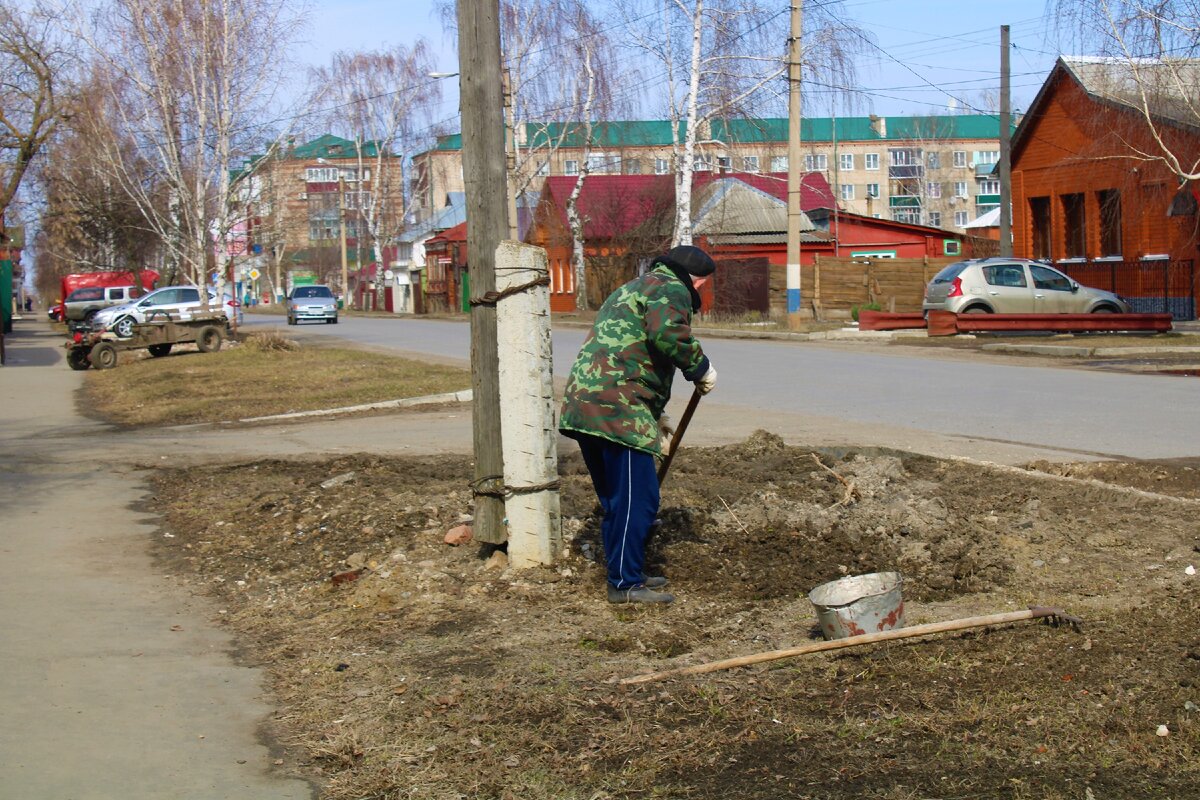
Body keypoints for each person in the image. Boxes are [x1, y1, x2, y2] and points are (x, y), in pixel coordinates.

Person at [559, 245, 718, 604]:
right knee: (639, 499)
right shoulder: (672, 288)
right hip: (619, 409)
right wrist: (700, 367)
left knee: (618, 500)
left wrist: (655, 412)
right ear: (699, 280)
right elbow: (667, 333)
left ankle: (624, 571)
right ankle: (626, 584)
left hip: (588, 403)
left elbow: (625, 345)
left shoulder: (634, 286)